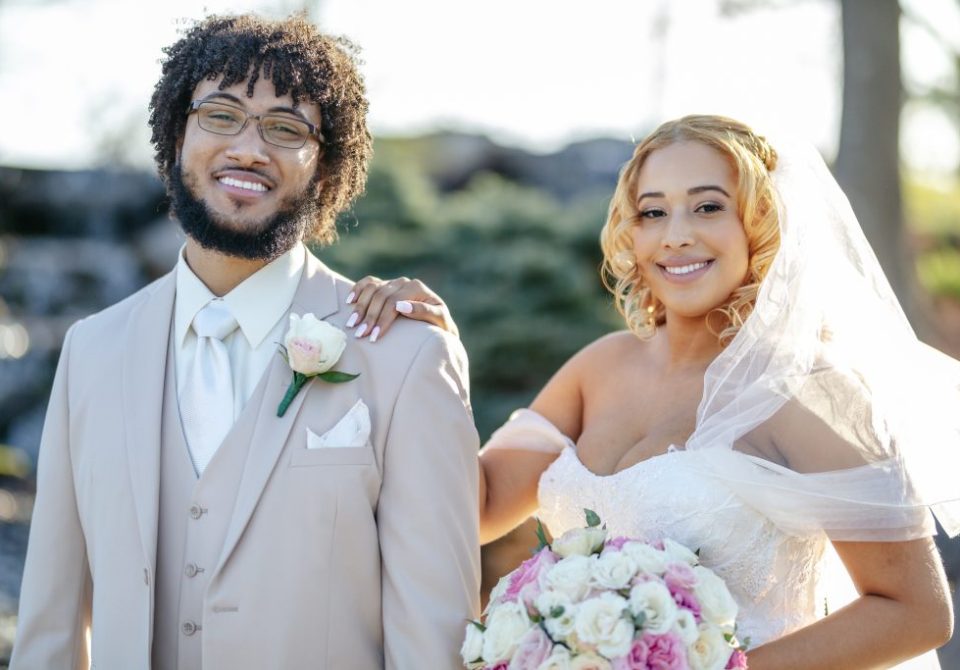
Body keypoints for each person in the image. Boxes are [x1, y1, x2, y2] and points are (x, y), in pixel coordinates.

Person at [349, 115, 960, 668]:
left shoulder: (809, 392)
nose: (675, 235)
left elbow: (915, 612)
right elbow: (477, 509)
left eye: (709, 207)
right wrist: (437, 358)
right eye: (653, 212)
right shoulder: (600, 366)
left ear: (760, 222)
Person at [11, 14, 480, 670]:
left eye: (286, 128)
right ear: (176, 135)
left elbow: (435, 639)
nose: (249, 149)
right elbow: (50, 631)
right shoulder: (92, 352)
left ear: (325, 169)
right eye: (221, 115)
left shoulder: (405, 354)